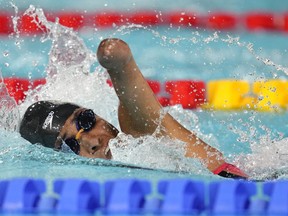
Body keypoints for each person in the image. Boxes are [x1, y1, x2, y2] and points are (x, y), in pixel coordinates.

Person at [20, 38, 248, 179]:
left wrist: (114, 63)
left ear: (95, 112)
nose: (91, 141)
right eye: (70, 145)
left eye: (86, 121)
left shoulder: (141, 135)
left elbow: (125, 74)